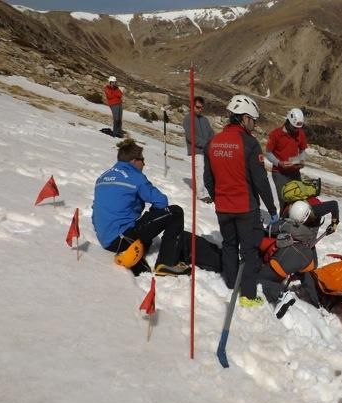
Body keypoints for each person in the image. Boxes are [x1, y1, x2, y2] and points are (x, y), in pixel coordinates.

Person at [204, 94, 278, 307]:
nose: (254, 125)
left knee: (229, 244)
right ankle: (248, 295)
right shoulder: (250, 143)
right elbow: (261, 181)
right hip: (245, 207)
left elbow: (208, 179)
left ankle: (230, 282)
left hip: (224, 207)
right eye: (253, 120)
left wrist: (219, 199)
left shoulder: (213, 142)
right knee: (249, 251)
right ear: (245, 118)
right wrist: (272, 208)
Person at [92, 138, 191, 276]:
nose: (144, 163)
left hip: (105, 239)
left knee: (143, 232)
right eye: (142, 160)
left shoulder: (102, 177)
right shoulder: (135, 177)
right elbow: (162, 201)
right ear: (134, 161)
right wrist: (151, 217)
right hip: (122, 238)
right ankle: (167, 263)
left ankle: (136, 255)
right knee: (175, 212)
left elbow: (94, 210)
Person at [259, 198, 339, 318]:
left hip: (284, 260)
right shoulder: (312, 214)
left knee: (253, 280)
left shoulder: (285, 224)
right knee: (306, 275)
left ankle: (281, 294)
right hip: (306, 255)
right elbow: (333, 204)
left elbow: (267, 232)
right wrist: (334, 222)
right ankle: (317, 303)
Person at [265, 108, 308, 211]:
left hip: (294, 172)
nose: (296, 130)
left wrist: (301, 161)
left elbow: (303, 151)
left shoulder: (300, 133)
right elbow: (268, 153)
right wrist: (279, 163)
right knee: (284, 200)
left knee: (299, 197)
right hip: (279, 172)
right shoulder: (275, 134)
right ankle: (283, 221)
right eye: (294, 127)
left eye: (298, 128)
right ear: (288, 122)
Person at [183, 96, 215, 203]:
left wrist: (213, 143)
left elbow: (211, 134)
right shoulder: (188, 119)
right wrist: (206, 144)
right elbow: (190, 136)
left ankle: (208, 192)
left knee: (208, 173)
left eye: (201, 108)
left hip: (207, 151)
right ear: (192, 106)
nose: (200, 109)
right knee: (200, 171)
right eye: (198, 107)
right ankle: (201, 194)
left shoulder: (205, 120)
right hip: (196, 151)